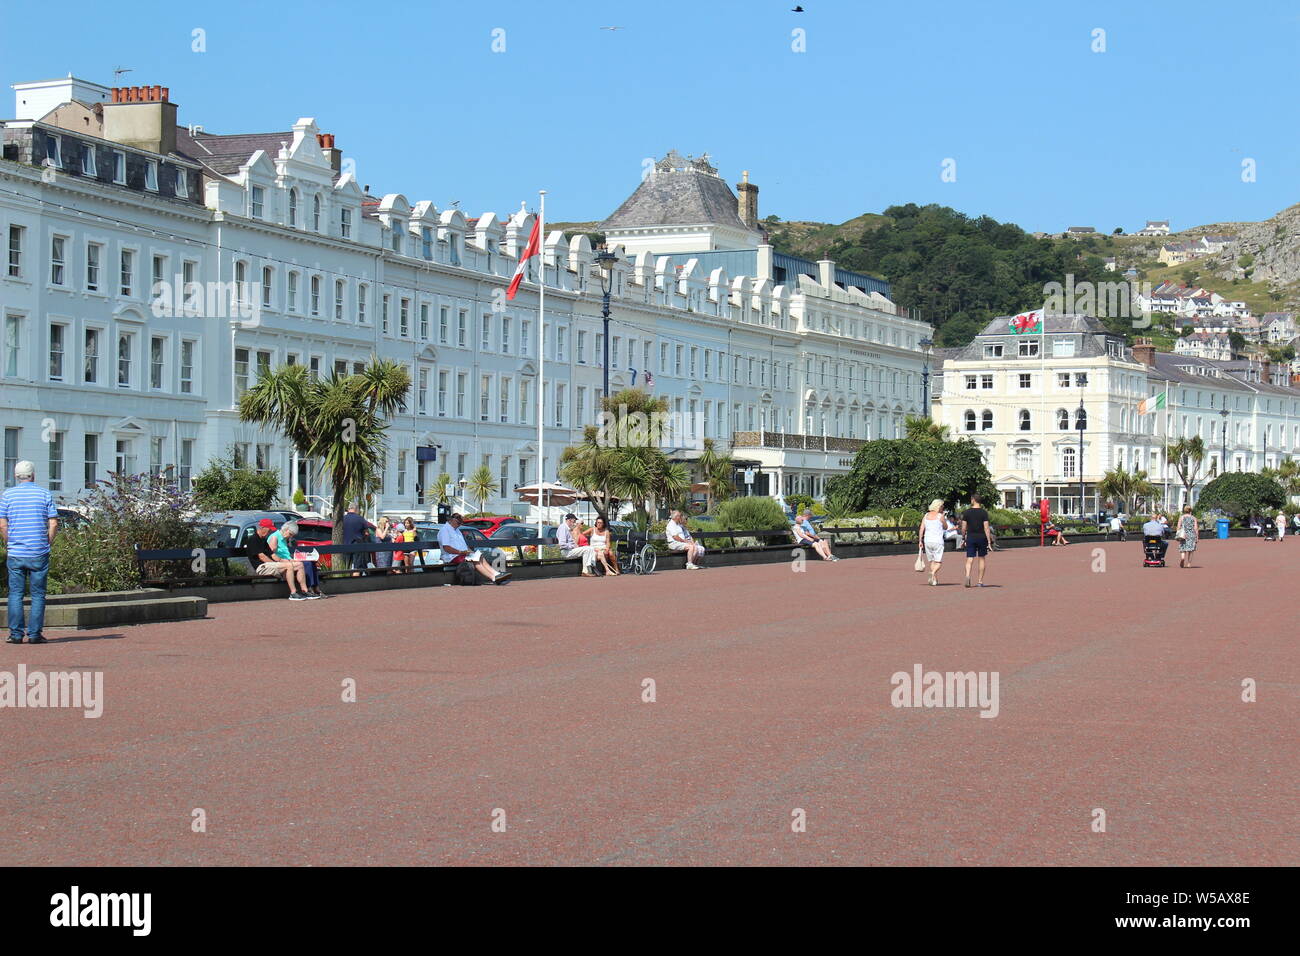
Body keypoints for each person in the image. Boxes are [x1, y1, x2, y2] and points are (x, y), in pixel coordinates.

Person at [1, 461, 59, 644]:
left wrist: (9, 542)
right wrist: (48, 540)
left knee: (16, 593)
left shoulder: (7, 495)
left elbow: (3, 524)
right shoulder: (43, 493)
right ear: (33, 475)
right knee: (38, 594)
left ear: (16, 476)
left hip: (16, 552)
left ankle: (16, 634)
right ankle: (34, 634)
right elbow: (54, 522)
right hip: (38, 551)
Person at [245, 518, 311, 599]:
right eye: (269, 529)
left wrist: (283, 561)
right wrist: (278, 564)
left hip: (270, 565)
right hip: (261, 567)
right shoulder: (253, 539)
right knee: (289, 566)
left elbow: (273, 555)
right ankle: (293, 593)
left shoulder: (264, 540)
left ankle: (305, 591)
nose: (270, 532)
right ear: (262, 528)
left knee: (299, 565)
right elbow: (262, 557)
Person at [438, 512, 508, 583]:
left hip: (461, 554)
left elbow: (463, 545)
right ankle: (493, 578)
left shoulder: (456, 530)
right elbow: (446, 547)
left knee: (479, 556)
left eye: (460, 523)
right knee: (475, 560)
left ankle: (497, 574)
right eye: (458, 523)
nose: (459, 525)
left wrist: (469, 551)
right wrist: (461, 552)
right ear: (452, 520)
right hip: (451, 556)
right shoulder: (445, 530)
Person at [269, 521, 324, 599]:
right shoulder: (274, 537)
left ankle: (316, 588)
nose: (290, 537)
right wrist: (287, 560)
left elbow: (285, 553)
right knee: (306, 564)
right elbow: (273, 554)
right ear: (286, 529)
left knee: (311, 562)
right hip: (283, 562)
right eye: (290, 534)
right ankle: (308, 589)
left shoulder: (284, 538)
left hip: (289, 560)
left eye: (292, 535)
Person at [960, 494, 992, 588]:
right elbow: (986, 528)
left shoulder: (966, 512)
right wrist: (989, 541)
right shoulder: (984, 513)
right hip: (981, 537)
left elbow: (963, 527)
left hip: (971, 537)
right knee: (981, 558)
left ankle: (967, 576)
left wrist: (963, 537)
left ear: (973, 500)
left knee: (969, 558)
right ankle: (980, 581)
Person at [918, 499, 952, 586]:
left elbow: (922, 528)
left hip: (927, 541)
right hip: (937, 541)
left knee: (932, 561)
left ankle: (934, 580)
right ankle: (932, 573)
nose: (943, 508)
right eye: (942, 506)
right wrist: (944, 517)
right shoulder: (940, 516)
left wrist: (920, 540)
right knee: (938, 561)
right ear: (938, 507)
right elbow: (946, 527)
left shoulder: (926, 515)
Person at [341, 504, 370, 576]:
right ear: (356, 509)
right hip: (357, 544)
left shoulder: (343, 519)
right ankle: (355, 584)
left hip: (345, 545)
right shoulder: (360, 518)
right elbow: (366, 533)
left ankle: (346, 581)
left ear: (348, 509)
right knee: (357, 567)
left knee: (346, 566)